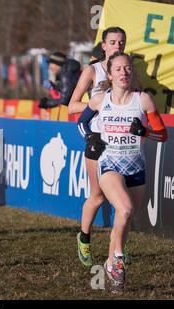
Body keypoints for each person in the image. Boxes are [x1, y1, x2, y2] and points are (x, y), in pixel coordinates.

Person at [78, 52, 167, 292]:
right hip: (109, 165)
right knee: (124, 207)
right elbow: (81, 121)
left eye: (127, 69)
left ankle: (109, 263)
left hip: (136, 168)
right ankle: (118, 258)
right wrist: (90, 137)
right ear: (110, 74)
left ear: (133, 72)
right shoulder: (100, 100)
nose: (123, 73)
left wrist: (144, 133)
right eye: (118, 69)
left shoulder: (144, 100)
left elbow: (163, 135)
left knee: (126, 219)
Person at [68, 27, 128, 267]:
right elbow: (71, 105)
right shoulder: (93, 70)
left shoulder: (127, 70)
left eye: (121, 42)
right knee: (98, 196)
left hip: (122, 141)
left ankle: (117, 250)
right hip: (97, 139)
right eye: (112, 42)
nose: (117, 46)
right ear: (104, 46)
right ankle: (84, 237)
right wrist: (95, 103)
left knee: (121, 198)